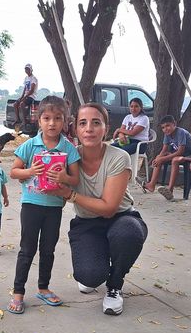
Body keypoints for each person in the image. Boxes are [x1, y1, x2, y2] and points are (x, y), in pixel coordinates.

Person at [52, 103, 148, 315]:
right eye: (82, 123)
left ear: (106, 128)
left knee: (128, 233)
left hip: (121, 218)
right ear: (75, 129)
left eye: (96, 123)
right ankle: (96, 268)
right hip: (87, 223)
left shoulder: (118, 157)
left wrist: (70, 195)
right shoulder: (67, 157)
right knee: (89, 276)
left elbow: (109, 208)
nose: (89, 129)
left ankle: (115, 284)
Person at [8, 95, 80, 314]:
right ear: (39, 120)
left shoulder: (68, 148)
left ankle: (43, 287)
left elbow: (75, 179)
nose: (52, 123)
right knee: (27, 249)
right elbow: (14, 172)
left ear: (65, 121)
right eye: (47, 118)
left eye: (57, 118)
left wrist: (64, 178)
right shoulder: (31, 145)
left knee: (48, 249)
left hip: (54, 207)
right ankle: (18, 291)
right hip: (31, 204)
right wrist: (30, 171)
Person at [143, 115, 191, 199]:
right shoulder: (167, 134)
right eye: (163, 127)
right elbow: (164, 150)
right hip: (178, 154)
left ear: (174, 124)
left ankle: (170, 189)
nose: (165, 129)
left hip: (189, 155)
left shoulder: (180, 132)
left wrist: (162, 158)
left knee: (174, 160)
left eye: (168, 126)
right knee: (159, 157)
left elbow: (181, 151)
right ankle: (151, 184)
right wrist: (158, 158)